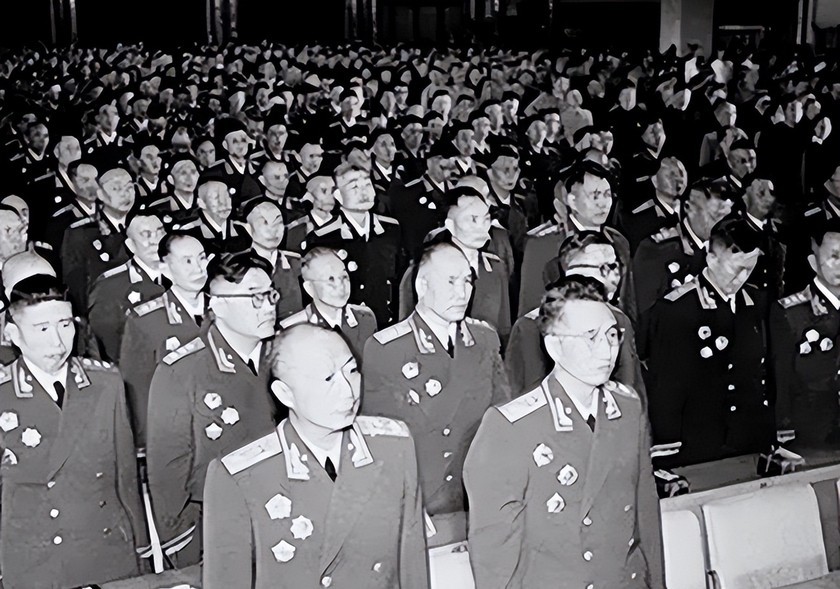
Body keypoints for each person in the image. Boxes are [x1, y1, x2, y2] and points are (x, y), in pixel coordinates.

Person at [463, 275, 663, 589]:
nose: (606, 350)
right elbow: (495, 556)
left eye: (612, 335)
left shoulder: (627, 407)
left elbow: (645, 511)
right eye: (590, 337)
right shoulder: (511, 427)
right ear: (554, 345)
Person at [202, 324, 429, 589]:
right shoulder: (241, 477)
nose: (348, 391)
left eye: (352, 371)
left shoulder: (393, 446)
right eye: (328, 378)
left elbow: (412, 562)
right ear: (285, 394)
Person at [0, 274, 148, 588]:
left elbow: (126, 477)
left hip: (106, 553)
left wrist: (142, 549)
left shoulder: (105, 382)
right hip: (36, 562)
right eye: (42, 329)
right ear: (12, 334)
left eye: (65, 325)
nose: (57, 342)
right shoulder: (4, 395)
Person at [364, 242, 510, 548]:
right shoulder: (388, 348)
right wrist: (405, 504)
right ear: (422, 285)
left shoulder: (484, 338)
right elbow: (381, 439)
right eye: (450, 281)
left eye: (467, 281)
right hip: (425, 501)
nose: (462, 292)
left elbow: (502, 420)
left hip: (476, 495)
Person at [146, 252, 279, 568]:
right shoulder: (182, 371)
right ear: (217, 305)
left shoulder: (286, 355)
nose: (269, 306)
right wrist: (184, 545)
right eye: (255, 297)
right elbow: (168, 473)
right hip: (217, 527)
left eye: (271, 294)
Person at [646, 218, 775, 467]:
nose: (741, 278)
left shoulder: (756, 303)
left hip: (748, 441)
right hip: (698, 444)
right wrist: (666, 453)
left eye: (749, 269)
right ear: (711, 259)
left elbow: (762, 373)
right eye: (736, 268)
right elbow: (666, 390)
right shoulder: (677, 309)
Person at [507, 231, 644, 397]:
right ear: (572, 271)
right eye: (603, 268)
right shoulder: (531, 326)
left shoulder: (619, 320)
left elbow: (631, 388)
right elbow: (525, 392)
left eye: (614, 266)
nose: (613, 276)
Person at [119, 232, 208, 450]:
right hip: (174, 433)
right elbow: (137, 388)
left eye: (202, 258)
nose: (198, 268)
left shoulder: (224, 309)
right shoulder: (146, 320)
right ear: (165, 268)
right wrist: (146, 443)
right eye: (187, 261)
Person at [771, 218, 840, 449]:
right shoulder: (791, 312)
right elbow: (781, 377)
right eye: (834, 256)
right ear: (813, 261)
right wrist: (784, 429)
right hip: (811, 431)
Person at [306, 162, 402, 327]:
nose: (364, 192)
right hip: (349, 324)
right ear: (338, 195)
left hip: (387, 320)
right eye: (354, 187)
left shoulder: (390, 228)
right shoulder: (324, 238)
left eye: (367, 185)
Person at [88, 212, 167, 362]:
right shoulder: (110, 287)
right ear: (131, 245)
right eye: (146, 235)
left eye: (160, 232)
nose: (156, 241)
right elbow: (108, 345)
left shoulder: (183, 274)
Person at [60, 165, 135, 316]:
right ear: (100, 194)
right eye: (116, 188)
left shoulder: (144, 224)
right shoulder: (81, 234)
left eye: (129, 187)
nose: (125, 194)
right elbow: (77, 289)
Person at [279, 247, 376, 361]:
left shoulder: (365, 318)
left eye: (344, 276)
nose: (340, 285)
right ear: (309, 288)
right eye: (330, 279)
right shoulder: (291, 330)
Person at [242, 197, 303, 320]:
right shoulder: (236, 267)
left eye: (278, 222)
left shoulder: (297, 264)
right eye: (265, 223)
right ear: (248, 228)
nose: (273, 230)